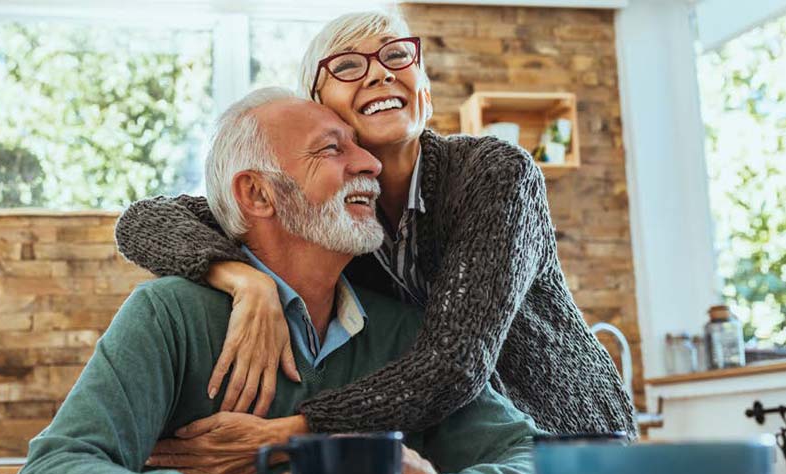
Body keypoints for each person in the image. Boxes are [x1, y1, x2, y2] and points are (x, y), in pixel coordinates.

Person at [115, 9, 636, 450]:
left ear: (424, 92)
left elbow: (454, 363)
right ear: (319, 108)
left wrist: (293, 432)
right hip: (460, 450)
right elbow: (144, 220)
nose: (380, 74)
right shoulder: (329, 214)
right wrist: (241, 279)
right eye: (346, 65)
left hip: (570, 439)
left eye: (396, 56)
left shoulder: (495, 174)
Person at [11, 88, 542, 474]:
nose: (370, 164)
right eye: (332, 149)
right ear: (258, 193)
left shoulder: (403, 331)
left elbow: (532, 460)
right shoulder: (169, 316)